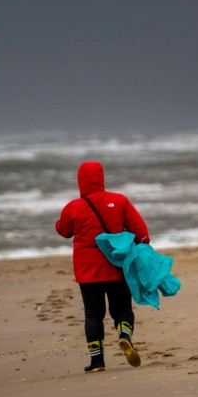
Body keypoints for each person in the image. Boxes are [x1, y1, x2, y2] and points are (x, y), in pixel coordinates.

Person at [56, 160, 150, 373]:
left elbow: (63, 231)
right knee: (122, 309)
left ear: (80, 181)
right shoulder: (119, 201)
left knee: (92, 313)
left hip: (87, 269)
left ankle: (97, 361)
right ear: (102, 178)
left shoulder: (73, 207)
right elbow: (142, 233)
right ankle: (124, 335)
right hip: (117, 266)